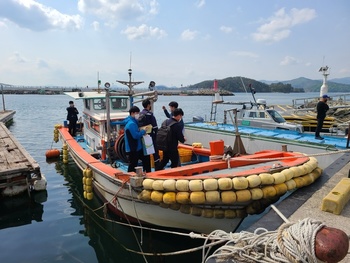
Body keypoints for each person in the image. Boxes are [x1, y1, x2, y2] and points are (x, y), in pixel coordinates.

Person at [124, 106, 151, 173]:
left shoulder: (131, 121)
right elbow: (135, 136)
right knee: (133, 163)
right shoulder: (131, 124)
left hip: (136, 147)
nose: (138, 115)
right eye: (137, 113)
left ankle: (147, 172)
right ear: (132, 113)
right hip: (133, 147)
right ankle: (130, 176)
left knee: (145, 159)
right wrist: (143, 131)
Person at [139, 99, 161, 170]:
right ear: (148, 105)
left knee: (145, 153)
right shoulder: (150, 114)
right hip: (151, 136)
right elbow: (155, 127)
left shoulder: (140, 114)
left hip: (142, 136)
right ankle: (157, 168)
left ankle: (146, 169)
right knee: (155, 152)